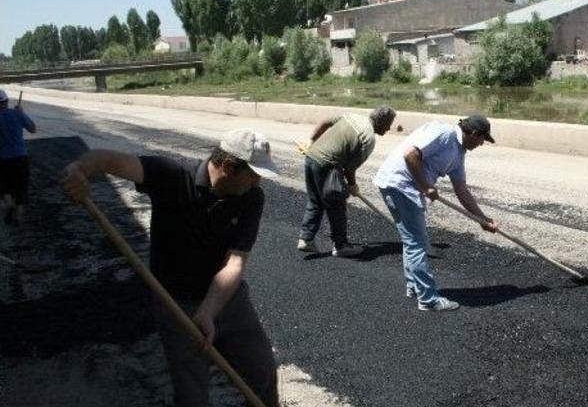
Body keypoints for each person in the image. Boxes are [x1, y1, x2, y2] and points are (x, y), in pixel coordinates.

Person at [61, 128, 281, 407]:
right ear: (227, 166)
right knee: (192, 396)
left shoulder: (252, 197)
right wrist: (79, 169)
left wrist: (208, 311)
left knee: (262, 374)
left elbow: (235, 262)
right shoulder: (173, 176)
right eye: (252, 174)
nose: (258, 181)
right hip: (177, 307)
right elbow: (108, 159)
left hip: (229, 302)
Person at [374, 114, 498, 312]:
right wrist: (426, 186)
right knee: (417, 243)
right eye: (483, 139)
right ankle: (428, 299)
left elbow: (461, 189)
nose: (482, 143)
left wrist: (482, 219)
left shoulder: (458, 153)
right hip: (400, 185)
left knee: (412, 240)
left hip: (404, 188)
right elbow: (410, 155)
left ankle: (414, 287)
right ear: (474, 133)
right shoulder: (444, 134)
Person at [297, 105, 397, 257]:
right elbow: (350, 169)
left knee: (315, 201)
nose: (389, 129)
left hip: (311, 156)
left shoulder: (352, 117)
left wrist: (312, 142)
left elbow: (325, 122)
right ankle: (341, 246)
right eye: (388, 124)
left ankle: (306, 239)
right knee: (337, 205)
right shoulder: (368, 138)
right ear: (381, 122)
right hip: (328, 165)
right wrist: (352, 185)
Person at [0, 89, 37, 225]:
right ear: (6, 101)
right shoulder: (17, 113)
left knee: (4, 186)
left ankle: (9, 203)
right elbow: (33, 129)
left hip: (3, 159)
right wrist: (22, 113)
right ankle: (19, 217)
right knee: (21, 188)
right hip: (21, 157)